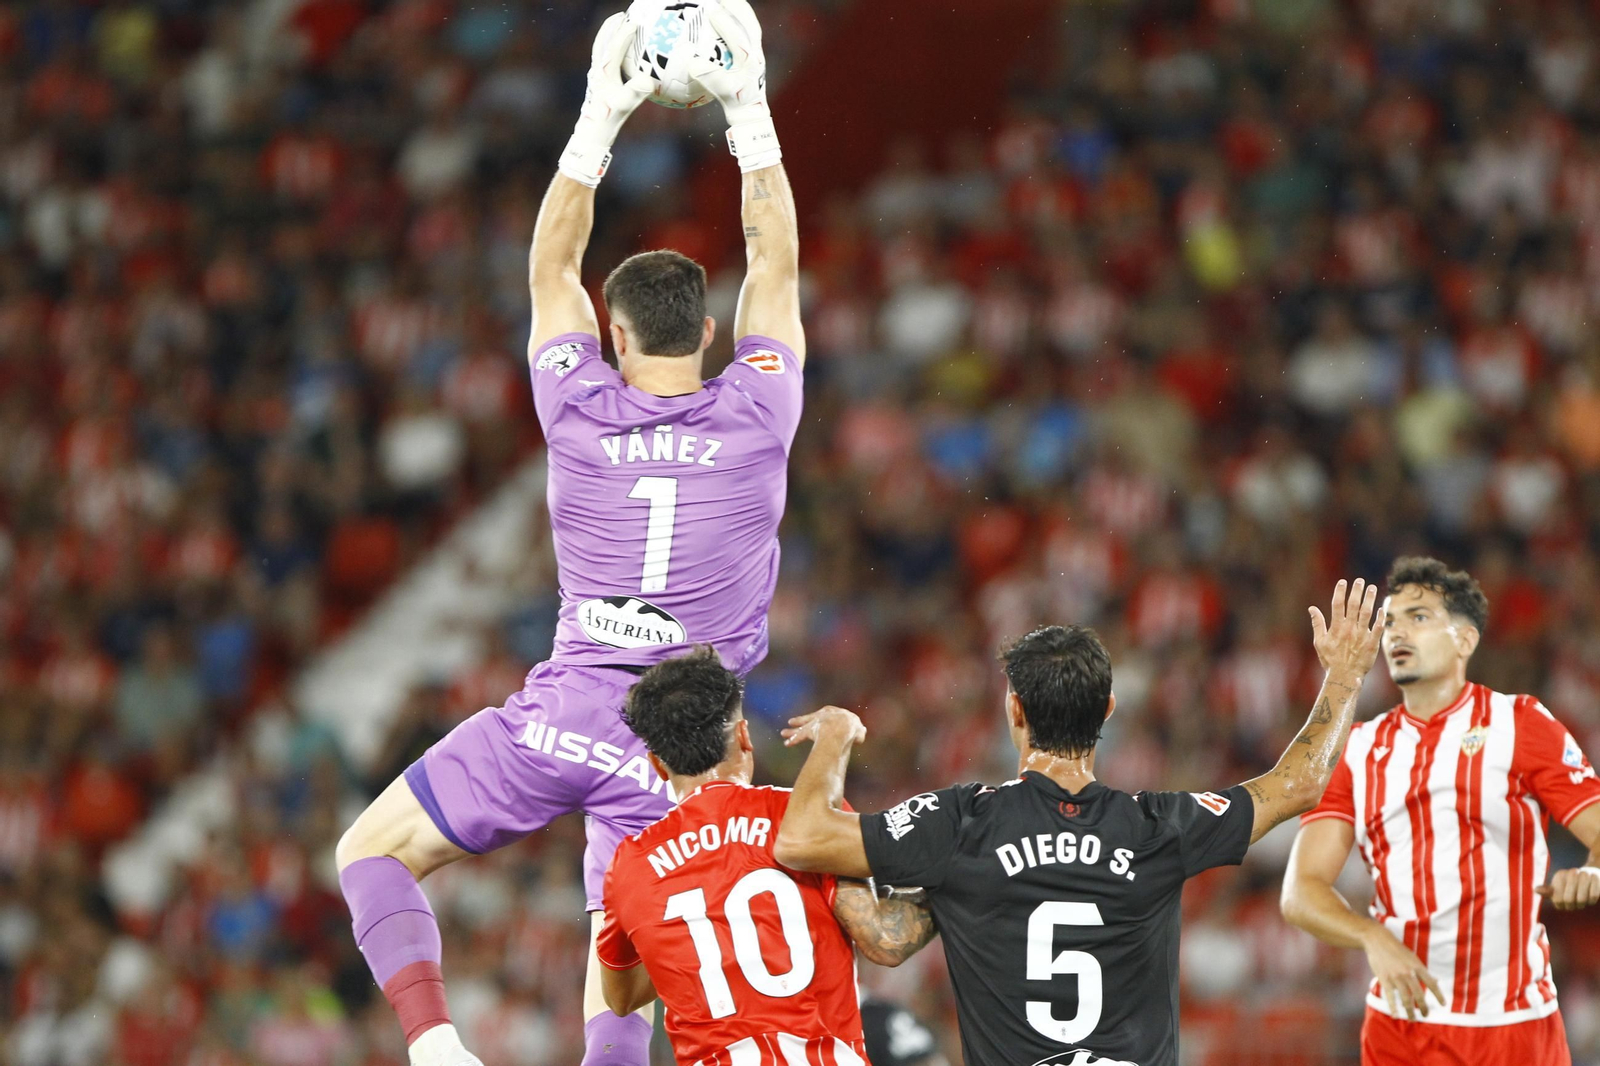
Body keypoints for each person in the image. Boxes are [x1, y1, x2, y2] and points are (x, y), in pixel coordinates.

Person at [333, 5, 805, 1064]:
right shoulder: (760, 410)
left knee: (370, 851)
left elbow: (551, 271)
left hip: (565, 713)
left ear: (613, 335)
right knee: (619, 948)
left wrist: (601, 110)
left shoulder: (576, 406)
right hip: (682, 743)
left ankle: (434, 1046)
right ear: (711, 333)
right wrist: (748, 105)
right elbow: (773, 260)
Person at [771, 578, 1385, 1066]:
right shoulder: (1158, 829)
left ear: (1015, 711)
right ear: (1108, 710)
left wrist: (836, 739)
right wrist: (1345, 675)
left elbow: (805, 842)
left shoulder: (962, 825)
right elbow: (1300, 783)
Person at [1281, 557, 1600, 1065]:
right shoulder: (1358, 750)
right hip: (1398, 1031)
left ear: (1465, 640)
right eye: (1390, 621)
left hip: (1513, 1028)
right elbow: (1300, 891)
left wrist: (1592, 871)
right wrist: (1371, 937)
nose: (1397, 632)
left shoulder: (1519, 724)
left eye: (1419, 617)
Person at [595, 648, 936, 1066]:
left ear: (657, 765)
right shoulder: (799, 820)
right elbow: (886, 940)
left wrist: (688, 937)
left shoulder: (631, 866)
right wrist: (959, 877)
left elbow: (621, 996)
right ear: (744, 736)